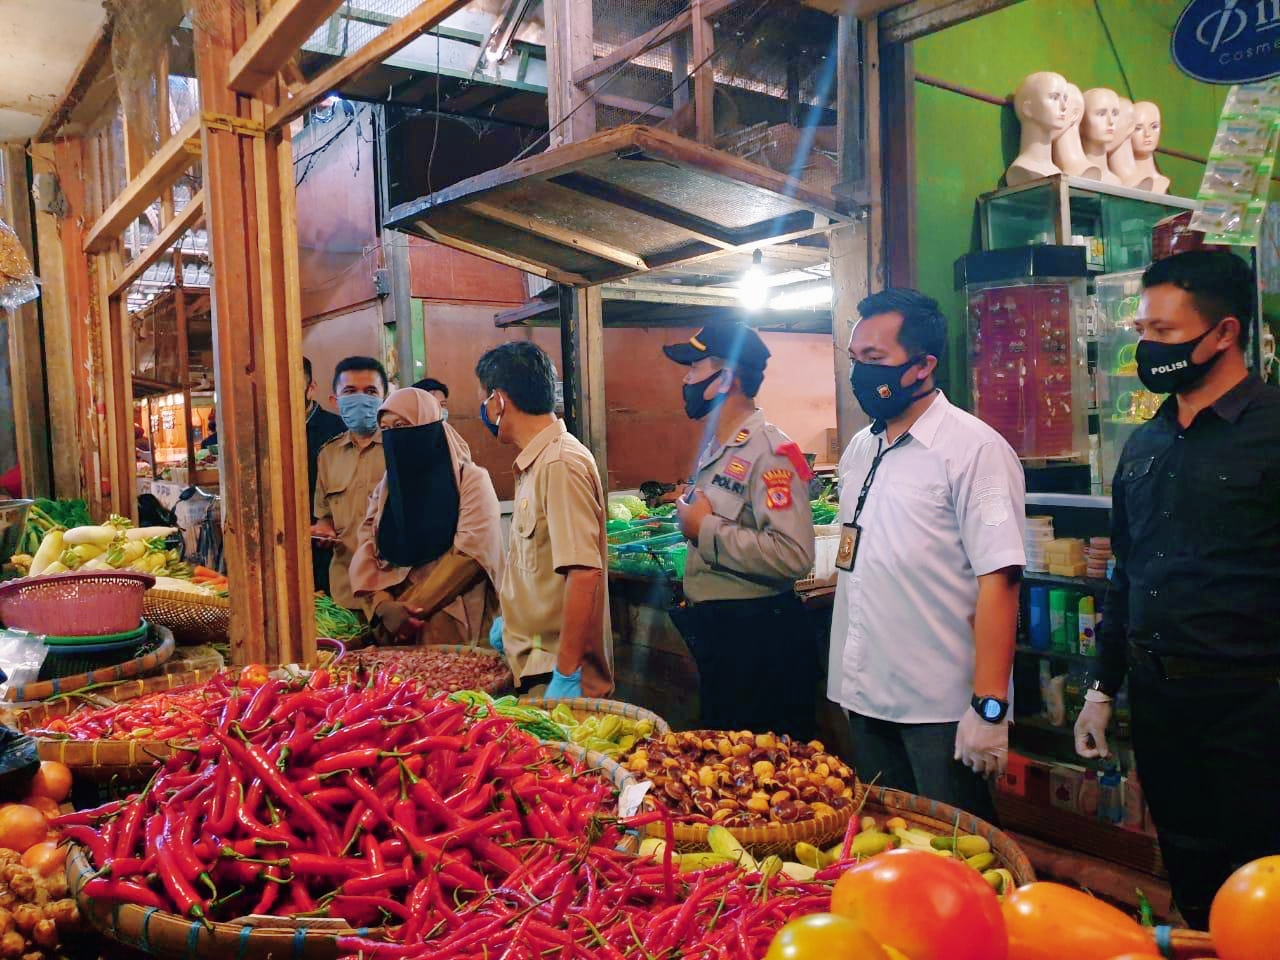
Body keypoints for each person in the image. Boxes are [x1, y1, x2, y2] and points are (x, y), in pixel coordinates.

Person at [1073, 250, 1280, 929]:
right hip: (1160, 703)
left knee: (1263, 886)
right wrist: (1101, 689)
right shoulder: (1147, 443)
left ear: (1224, 332)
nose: (1147, 346)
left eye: (1164, 332)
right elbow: (1126, 574)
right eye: (1144, 328)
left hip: (1255, 707)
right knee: (1188, 869)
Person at [830, 289, 1025, 822]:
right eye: (855, 360)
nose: (860, 375)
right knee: (888, 847)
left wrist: (989, 707)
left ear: (922, 367)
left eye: (875, 360)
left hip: (940, 709)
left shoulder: (974, 450)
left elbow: (1000, 581)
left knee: (957, 859)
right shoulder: (860, 448)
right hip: (865, 693)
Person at [662, 324, 817, 737]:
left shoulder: (770, 451)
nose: (686, 379)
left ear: (725, 379)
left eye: (694, 368)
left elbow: (794, 554)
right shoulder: (719, 448)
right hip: (724, 635)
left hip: (759, 638)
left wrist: (704, 528)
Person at [476, 341, 613, 698]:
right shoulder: (535, 464)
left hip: (556, 673)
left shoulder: (560, 464)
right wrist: (514, 621)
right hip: (533, 663)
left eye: (486, 398)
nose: (486, 409)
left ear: (500, 400)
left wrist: (566, 674)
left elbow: (583, 572)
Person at [349, 388, 503, 646]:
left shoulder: (470, 480)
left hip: (458, 627)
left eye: (401, 425)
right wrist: (383, 606)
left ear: (429, 427)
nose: (394, 436)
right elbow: (367, 548)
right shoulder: (387, 489)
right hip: (398, 638)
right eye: (386, 429)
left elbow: (469, 556)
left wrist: (404, 613)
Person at [313, 356, 389, 612]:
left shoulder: (400, 447)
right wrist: (322, 530)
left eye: (370, 391)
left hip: (395, 591)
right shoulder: (328, 455)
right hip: (346, 592)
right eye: (349, 391)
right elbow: (324, 516)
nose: (361, 399)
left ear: (385, 398)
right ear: (335, 400)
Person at [305, 357, 347, 593]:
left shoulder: (337, 431)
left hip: (331, 545)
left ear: (311, 388)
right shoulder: (268, 429)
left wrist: (328, 521)